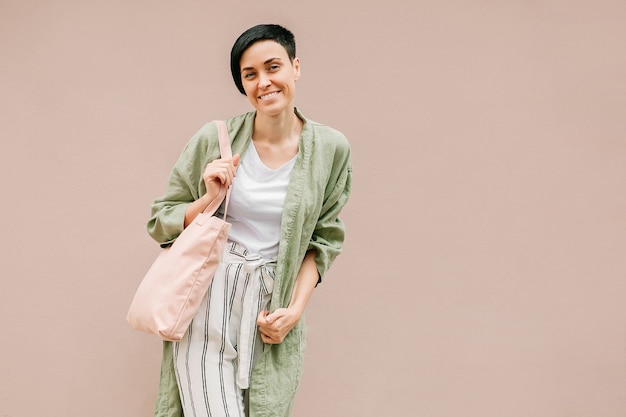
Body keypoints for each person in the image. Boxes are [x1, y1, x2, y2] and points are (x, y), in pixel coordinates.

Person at [146, 24, 352, 417]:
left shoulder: (330, 148)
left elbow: (324, 241)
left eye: (273, 67)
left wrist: (294, 310)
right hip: (208, 298)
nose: (264, 82)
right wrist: (209, 197)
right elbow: (161, 219)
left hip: (270, 308)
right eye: (250, 74)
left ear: (295, 66)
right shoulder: (215, 138)